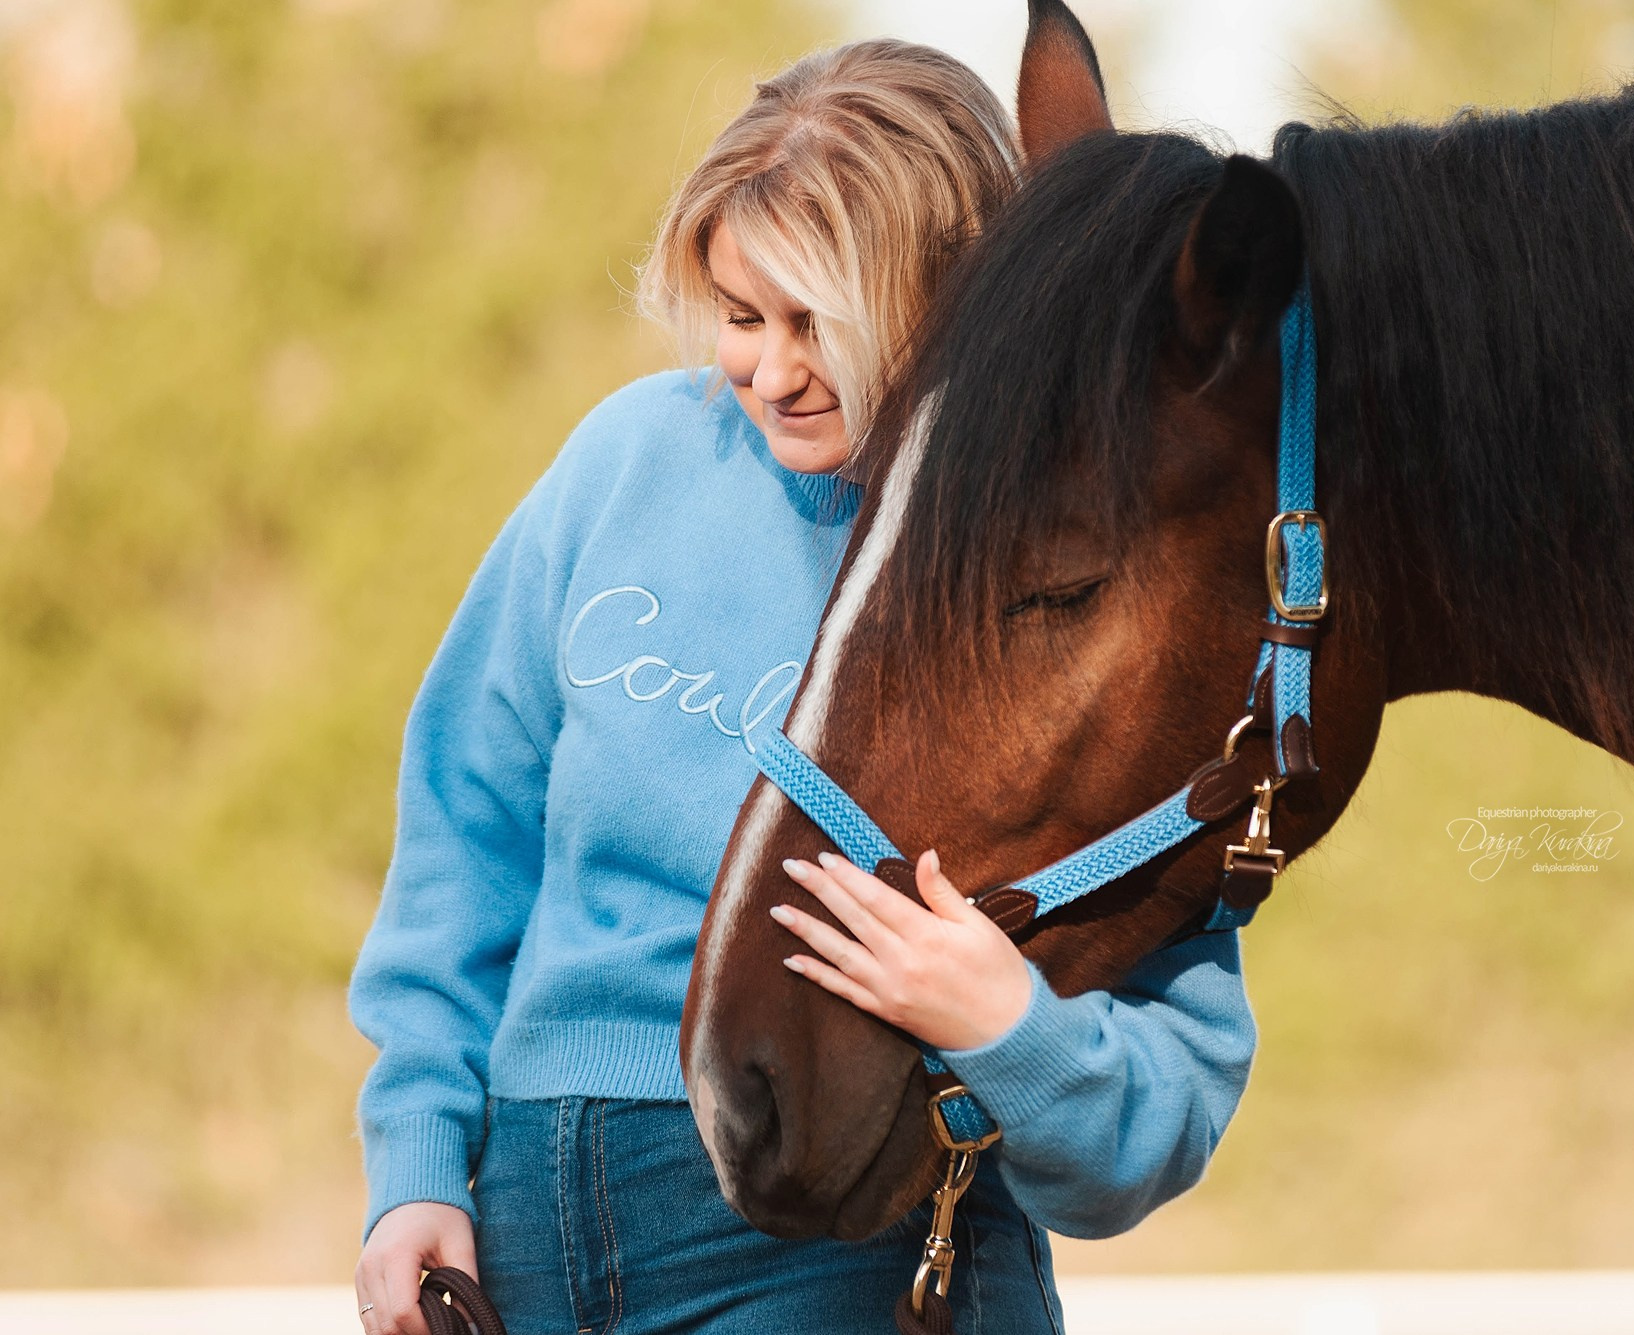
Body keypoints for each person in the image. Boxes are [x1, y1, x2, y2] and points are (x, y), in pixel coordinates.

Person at [347, 37, 1257, 1335]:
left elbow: (1170, 1082)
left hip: (849, 1248)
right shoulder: (625, 465)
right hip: (526, 1229)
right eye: (738, 313)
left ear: (950, 291)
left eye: (815, 320)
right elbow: (464, 841)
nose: (769, 370)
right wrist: (418, 1169)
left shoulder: (1067, 566)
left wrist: (1010, 1026)